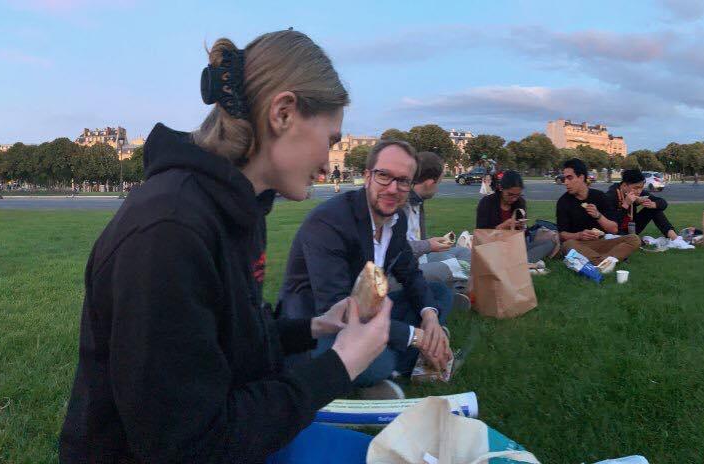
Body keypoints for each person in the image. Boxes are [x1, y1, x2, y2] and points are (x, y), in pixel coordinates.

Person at [62, 30, 389, 462]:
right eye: (330, 140)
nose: (330, 162)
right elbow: (190, 445)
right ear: (284, 113)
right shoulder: (169, 232)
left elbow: (227, 341)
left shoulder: (242, 207)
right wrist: (340, 364)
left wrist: (312, 327)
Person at [277, 139, 453, 399]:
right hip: (317, 323)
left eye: (403, 180)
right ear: (368, 176)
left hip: (370, 310)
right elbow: (334, 306)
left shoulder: (397, 219)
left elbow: (411, 273)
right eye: (384, 176)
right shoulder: (330, 222)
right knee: (379, 362)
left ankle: (395, 359)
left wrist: (430, 319)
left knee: (438, 295)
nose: (393, 188)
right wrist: (416, 336)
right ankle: (392, 364)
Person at [402, 150, 467, 305]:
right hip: (404, 269)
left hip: (421, 257)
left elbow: (416, 237)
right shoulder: (399, 204)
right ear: (430, 182)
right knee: (453, 265)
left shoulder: (418, 202)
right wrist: (428, 245)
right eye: (439, 183)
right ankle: (453, 291)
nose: (437, 189)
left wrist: (431, 243)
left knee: (464, 253)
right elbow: (393, 251)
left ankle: (454, 289)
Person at [555, 158, 638, 263]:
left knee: (634, 239)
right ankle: (607, 261)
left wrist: (598, 215)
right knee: (568, 245)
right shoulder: (563, 202)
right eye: (564, 178)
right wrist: (579, 235)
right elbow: (562, 235)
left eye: (569, 178)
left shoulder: (599, 196)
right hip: (579, 244)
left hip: (601, 242)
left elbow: (614, 229)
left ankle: (599, 260)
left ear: (581, 177)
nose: (565, 182)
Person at [473, 170, 559, 263]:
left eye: (517, 195)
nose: (514, 199)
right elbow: (481, 236)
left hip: (515, 245)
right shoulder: (487, 202)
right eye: (510, 194)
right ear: (501, 188)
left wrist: (522, 228)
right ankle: (519, 262)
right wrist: (503, 226)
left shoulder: (520, 202)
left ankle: (517, 261)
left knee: (550, 243)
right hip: (493, 246)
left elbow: (523, 236)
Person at [606, 169, 686, 248]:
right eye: (636, 188)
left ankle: (675, 238)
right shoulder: (611, 196)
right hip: (616, 231)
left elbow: (663, 203)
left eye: (641, 188)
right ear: (624, 185)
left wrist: (653, 204)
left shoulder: (638, 192)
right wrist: (626, 204)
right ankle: (638, 240)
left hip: (632, 228)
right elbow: (612, 225)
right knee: (637, 242)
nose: (639, 191)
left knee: (653, 208)